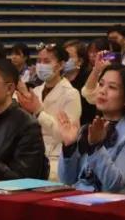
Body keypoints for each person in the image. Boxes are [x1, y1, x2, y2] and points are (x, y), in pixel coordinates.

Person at [57, 64, 125, 193]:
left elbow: (113, 185)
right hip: (79, 199)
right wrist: (69, 147)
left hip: (113, 203)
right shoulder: (87, 129)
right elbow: (67, 180)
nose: (102, 91)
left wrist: (96, 147)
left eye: (112, 87)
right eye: (101, 84)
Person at [15, 44, 82, 181]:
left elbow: (66, 136)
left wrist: (39, 112)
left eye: (46, 61)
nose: (41, 65)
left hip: (57, 158)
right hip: (33, 154)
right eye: (39, 61)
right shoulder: (36, 91)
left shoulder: (71, 94)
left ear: (61, 65)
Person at [62, 39, 95, 125]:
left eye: (68, 57)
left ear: (80, 61)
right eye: (63, 56)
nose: (64, 60)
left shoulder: (88, 78)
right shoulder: (59, 78)